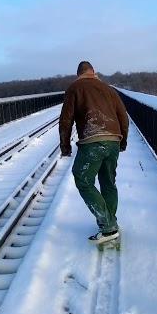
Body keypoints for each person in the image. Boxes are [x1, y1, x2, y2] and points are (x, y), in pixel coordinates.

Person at [59, 61, 129, 244]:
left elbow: (66, 120)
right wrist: (123, 141)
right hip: (113, 140)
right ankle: (110, 222)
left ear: (79, 74)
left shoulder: (75, 88)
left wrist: (65, 147)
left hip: (92, 141)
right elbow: (123, 116)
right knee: (108, 182)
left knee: (82, 179)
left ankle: (108, 227)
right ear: (93, 72)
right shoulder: (108, 88)